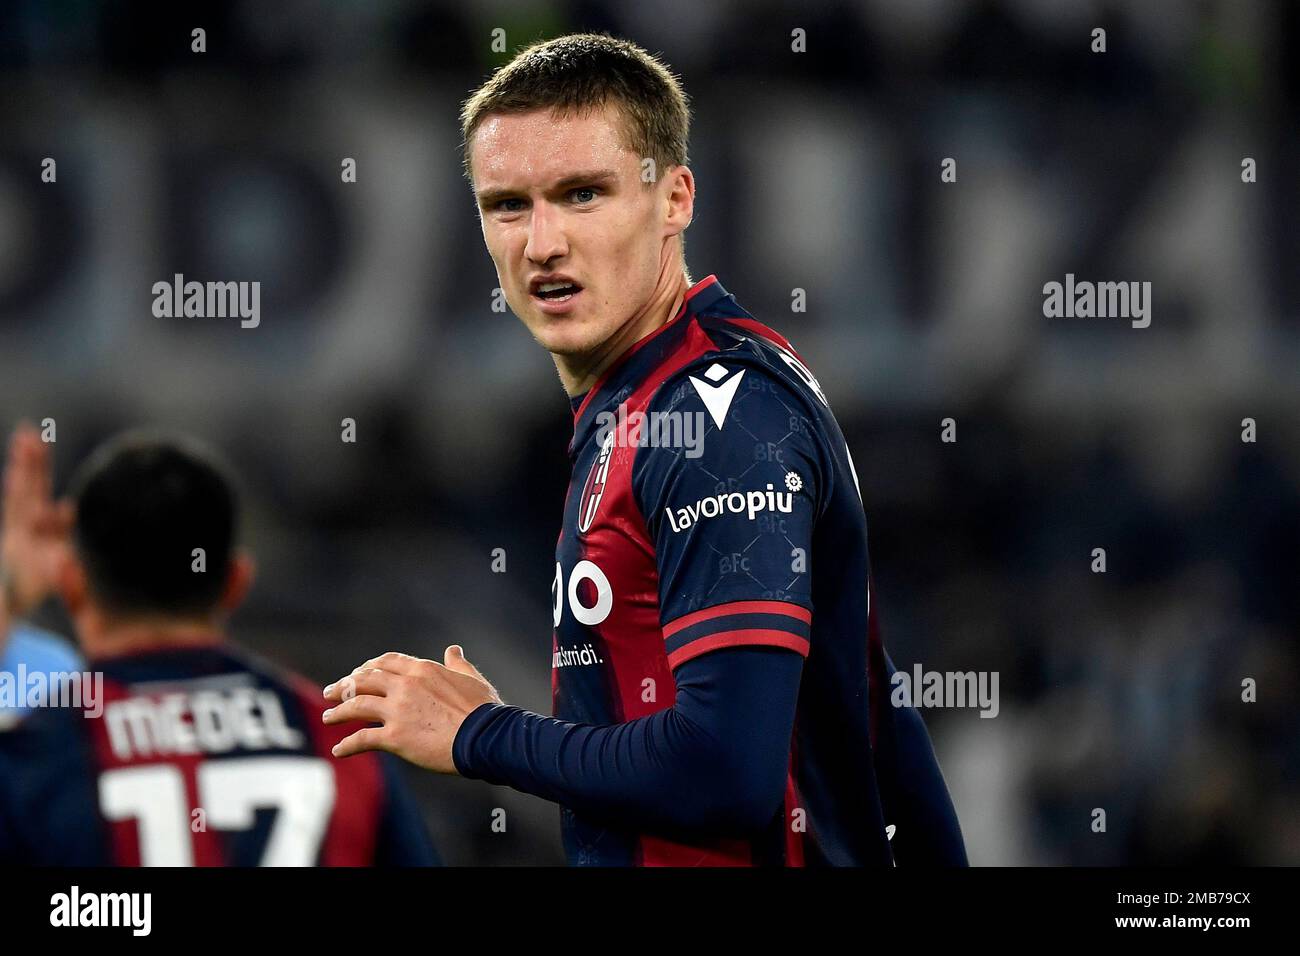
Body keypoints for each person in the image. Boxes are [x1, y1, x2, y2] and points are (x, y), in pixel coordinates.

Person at [323, 32, 967, 866]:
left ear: (675, 198)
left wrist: (482, 735)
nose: (542, 243)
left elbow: (727, 771)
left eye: (583, 194)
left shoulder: (718, 417)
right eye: (508, 205)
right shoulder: (647, 400)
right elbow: (877, 714)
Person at [0, 424, 439, 865]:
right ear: (236, 583)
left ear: (72, 584)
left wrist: (8, 595)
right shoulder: (344, 745)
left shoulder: (37, 755)